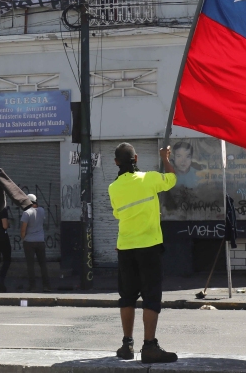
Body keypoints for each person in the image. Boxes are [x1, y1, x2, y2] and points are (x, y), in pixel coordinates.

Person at [108, 142, 178, 363]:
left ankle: (127, 345)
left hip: (126, 247)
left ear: (116, 162)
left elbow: (118, 215)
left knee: (126, 296)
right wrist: (165, 158)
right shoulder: (150, 179)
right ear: (136, 159)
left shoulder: (113, 188)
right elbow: (172, 179)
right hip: (149, 247)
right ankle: (149, 347)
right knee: (151, 297)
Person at [20, 194, 50, 291]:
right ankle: (46, 286)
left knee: (30, 265)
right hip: (40, 241)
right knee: (43, 264)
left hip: (29, 242)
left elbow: (23, 229)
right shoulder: (42, 210)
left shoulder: (26, 213)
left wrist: (23, 238)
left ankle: (32, 286)